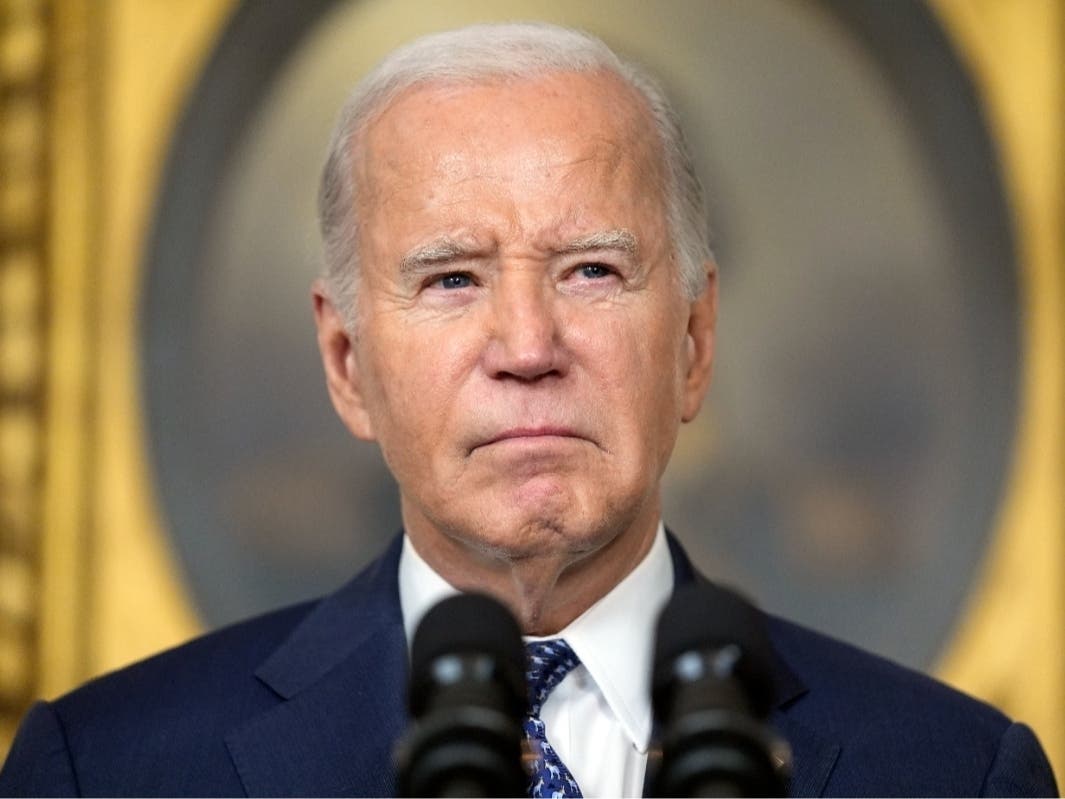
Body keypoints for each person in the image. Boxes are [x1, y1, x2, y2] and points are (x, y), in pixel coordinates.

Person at [0, 21, 1057, 798]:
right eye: (452, 279)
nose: (528, 348)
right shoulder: (107, 771)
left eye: (592, 270)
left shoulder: (954, 774)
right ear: (345, 361)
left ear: (693, 342)